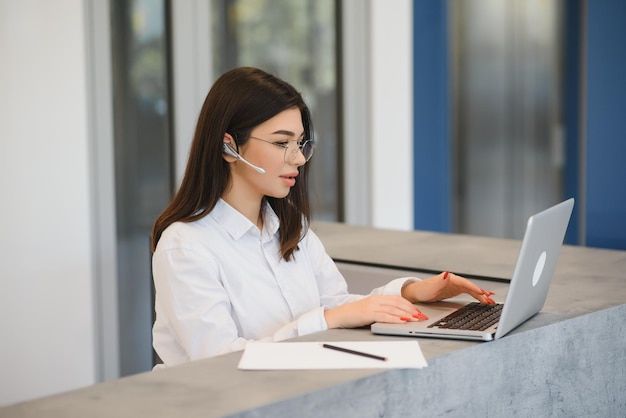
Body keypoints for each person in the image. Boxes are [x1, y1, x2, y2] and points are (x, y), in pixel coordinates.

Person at [150, 67, 495, 368]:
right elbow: (218, 362)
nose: (298, 159)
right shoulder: (186, 247)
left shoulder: (288, 226)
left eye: (300, 143)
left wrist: (413, 292)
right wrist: (330, 318)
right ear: (229, 146)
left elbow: (335, 304)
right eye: (281, 142)